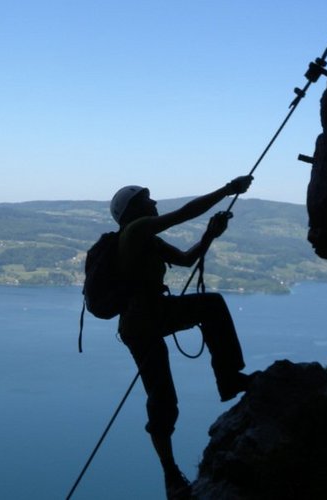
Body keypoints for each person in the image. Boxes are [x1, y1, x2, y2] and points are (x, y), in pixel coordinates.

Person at [110, 176, 255, 500]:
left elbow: (187, 259)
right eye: (148, 200)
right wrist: (228, 189)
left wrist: (209, 235)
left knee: (163, 399)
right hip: (146, 320)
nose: (154, 203)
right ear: (134, 210)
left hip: (144, 320)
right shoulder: (135, 231)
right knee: (164, 400)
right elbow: (185, 213)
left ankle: (171, 475)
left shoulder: (145, 238)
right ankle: (228, 379)